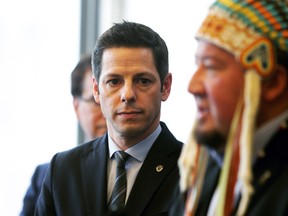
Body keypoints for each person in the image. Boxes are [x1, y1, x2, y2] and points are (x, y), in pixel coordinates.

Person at [35, 21, 183, 216]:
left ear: (165, 86)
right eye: (114, 81)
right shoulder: (63, 171)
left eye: (143, 81)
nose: (128, 94)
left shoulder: (194, 170)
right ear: (96, 90)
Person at [170, 1, 288, 216]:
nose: (192, 86)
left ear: (273, 84)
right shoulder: (201, 168)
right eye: (198, 65)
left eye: (211, 66)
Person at [20, 55, 107, 216]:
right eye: (95, 101)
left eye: (110, 99)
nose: (106, 111)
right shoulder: (46, 177)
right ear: (76, 106)